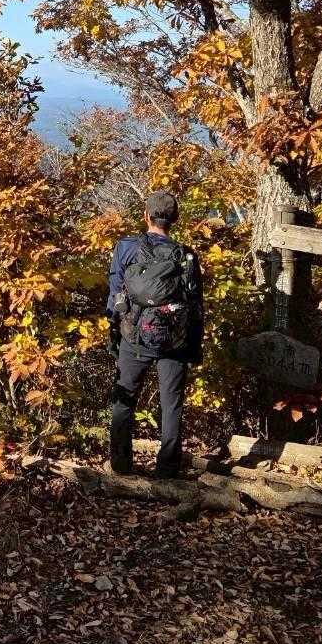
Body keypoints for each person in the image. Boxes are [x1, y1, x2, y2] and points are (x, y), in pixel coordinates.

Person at [106, 190, 204, 478]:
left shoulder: (126, 248)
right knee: (171, 404)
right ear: (175, 218)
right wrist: (193, 345)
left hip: (134, 335)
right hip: (174, 340)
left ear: (146, 216)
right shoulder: (186, 255)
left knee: (124, 398)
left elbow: (115, 292)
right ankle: (167, 468)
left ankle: (121, 465)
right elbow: (195, 304)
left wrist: (115, 330)